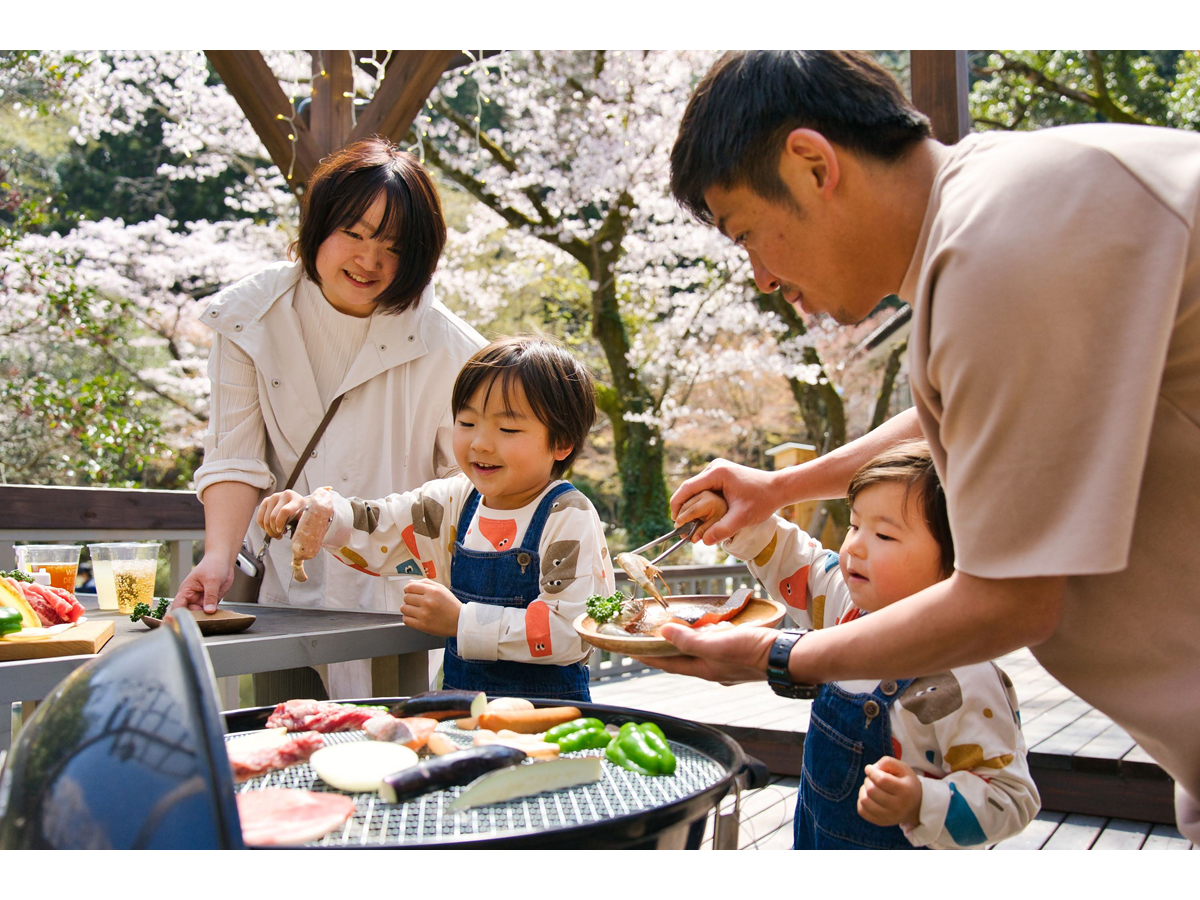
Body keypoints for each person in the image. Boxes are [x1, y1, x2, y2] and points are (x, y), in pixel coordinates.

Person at [660, 50, 1200, 842]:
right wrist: (781, 489)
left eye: (749, 234)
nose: (762, 277)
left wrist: (778, 658)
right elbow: (950, 413)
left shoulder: (1000, 247)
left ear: (813, 165)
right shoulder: (999, 215)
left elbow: (1011, 598)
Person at [173, 137, 486, 699]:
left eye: (393, 246)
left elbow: (475, 484)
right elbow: (235, 455)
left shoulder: (453, 348)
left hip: (397, 603)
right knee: (278, 746)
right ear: (318, 226)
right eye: (356, 234)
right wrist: (218, 559)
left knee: (389, 757)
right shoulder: (251, 316)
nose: (370, 261)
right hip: (277, 599)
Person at [685, 440, 1038, 849]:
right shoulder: (847, 608)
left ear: (960, 555)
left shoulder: (964, 675)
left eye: (884, 534)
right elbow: (795, 559)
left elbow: (1012, 797)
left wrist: (922, 801)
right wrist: (735, 520)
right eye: (854, 525)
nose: (853, 546)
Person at [256, 336, 613, 702]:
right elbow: (381, 524)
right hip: (464, 711)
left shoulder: (568, 516)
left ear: (561, 443)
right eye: (467, 422)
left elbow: (574, 631)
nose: (480, 443)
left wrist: (462, 622)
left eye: (507, 429)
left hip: (550, 716)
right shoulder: (455, 500)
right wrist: (316, 514)